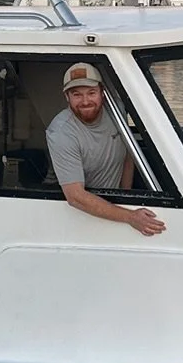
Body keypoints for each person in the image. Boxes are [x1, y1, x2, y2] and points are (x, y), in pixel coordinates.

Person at [46, 62, 165, 236]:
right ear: (67, 97)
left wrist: (126, 197)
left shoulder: (116, 110)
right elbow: (75, 196)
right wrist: (130, 216)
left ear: (102, 93)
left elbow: (128, 154)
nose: (85, 101)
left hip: (112, 203)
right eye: (76, 94)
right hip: (68, 212)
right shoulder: (61, 132)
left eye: (91, 93)